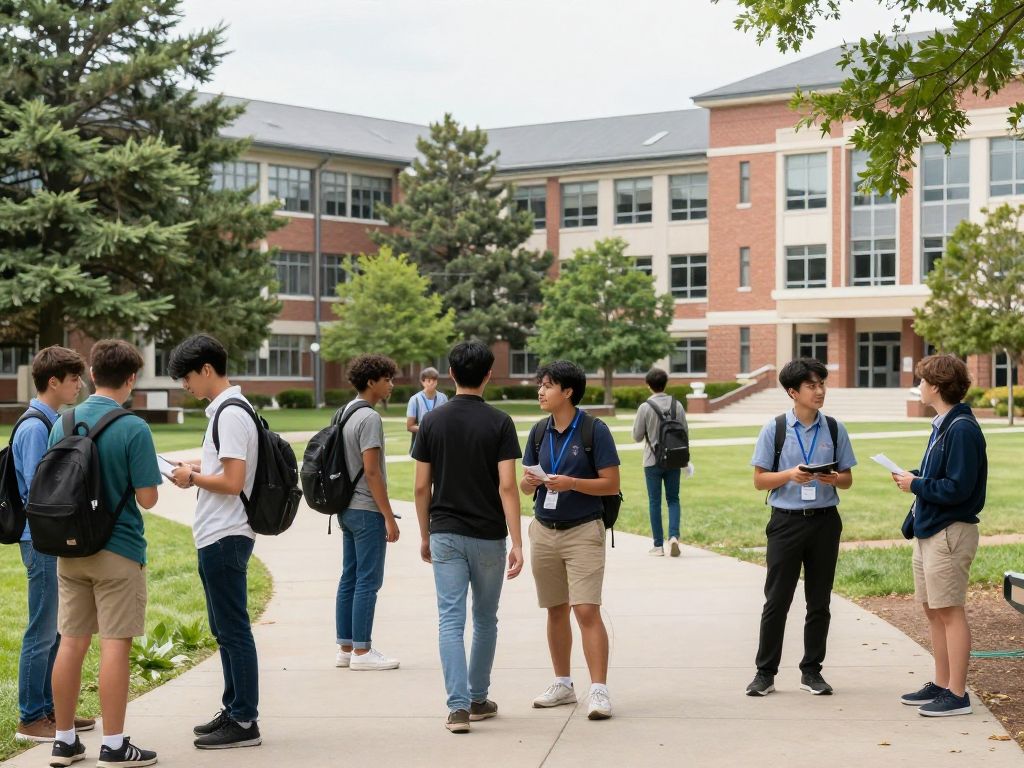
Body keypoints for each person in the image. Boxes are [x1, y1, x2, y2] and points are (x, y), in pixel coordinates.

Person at [48, 340, 161, 768]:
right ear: (132, 379)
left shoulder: (64, 420)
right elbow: (148, 499)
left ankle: (63, 741)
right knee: (116, 644)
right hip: (119, 548)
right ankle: (114, 745)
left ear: (93, 373)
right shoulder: (133, 428)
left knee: (71, 643)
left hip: (69, 548)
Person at [412, 340, 524, 734]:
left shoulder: (432, 422)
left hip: (444, 532)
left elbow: (421, 488)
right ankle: (478, 698)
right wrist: (518, 542)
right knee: (485, 619)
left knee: (449, 620)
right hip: (489, 535)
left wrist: (424, 533)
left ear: (451, 374)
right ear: (489, 375)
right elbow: (507, 487)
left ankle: (457, 708)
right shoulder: (500, 422)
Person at [167, 334, 264, 749]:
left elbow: (233, 480)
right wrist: (194, 466)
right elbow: (225, 468)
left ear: (206, 369)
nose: (184, 385)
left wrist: (192, 478)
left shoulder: (229, 413)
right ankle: (234, 707)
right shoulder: (227, 411)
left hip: (226, 534)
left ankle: (244, 721)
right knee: (224, 629)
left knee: (233, 629)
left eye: (186, 377)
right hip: (220, 533)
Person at [746, 357, 856, 698]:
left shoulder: (834, 428)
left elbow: (848, 480)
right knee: (776, 600)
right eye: (812, 385)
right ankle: (765, 673)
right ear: (793, 392)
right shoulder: (775, 429)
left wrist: (833, 477)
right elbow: (760, 480)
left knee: (819, 601)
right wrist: (790, 475)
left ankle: (812, 672)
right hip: (786, 522)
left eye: (822, 384)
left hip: (825, 522)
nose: (820, 391)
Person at [520, 360, 620, 720]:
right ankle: (563, 683)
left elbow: (612, 484)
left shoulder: (594, 430)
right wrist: (529, 482)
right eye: (540, 384)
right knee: (555, 609)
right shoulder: (537, 432)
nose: (540, 391)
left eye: (548, 385)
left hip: (583, 530)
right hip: (544, 529)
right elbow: (524, 482)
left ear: (568, 392)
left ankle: (599, 690)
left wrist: (572, 483)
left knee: (586, 609)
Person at [892, 354, 987, 717]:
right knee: (933, 610)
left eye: (921, 380)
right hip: (930, 529)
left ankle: (958, 694)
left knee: (950, 610)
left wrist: (917, 484)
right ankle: (943, 682)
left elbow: (959, 488)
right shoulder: (943, 424)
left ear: (935, 385)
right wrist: (914, 477)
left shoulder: (961, 429)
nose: (918, 386)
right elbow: (944, 477)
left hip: (949, 532)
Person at [12, 346, 95, 743]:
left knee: (57, 630)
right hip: (40, 540)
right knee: (42, 631)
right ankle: (31, 717)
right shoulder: (34, 428)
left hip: (51, 540)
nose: (80, 384)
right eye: (74, 378)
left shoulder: (52, 421)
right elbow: (40, 494)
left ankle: (51, 710)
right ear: (53, 382)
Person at [331, 354, 401, 671]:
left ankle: (345, 648)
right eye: (387, 379)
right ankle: (362, 652)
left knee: (349, 578)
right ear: (372, 381)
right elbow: (372, 472)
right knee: (367, 581)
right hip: (365, 509)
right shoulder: (369, 418)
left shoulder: (343, 412)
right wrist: (388, 516)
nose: (391, 385)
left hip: (344, 507)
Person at [631, 367, 689, 557]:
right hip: (674, 459)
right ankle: (673, 536)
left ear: (648, 385)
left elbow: (637, 436)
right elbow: (685, 434)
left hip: (651, 460)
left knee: (654, 502)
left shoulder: (645, 407)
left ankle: (658, 545)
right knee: (673, 499)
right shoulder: (677, 405)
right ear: (666, 383)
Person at [406, 366, 448, 453]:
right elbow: (409, 427)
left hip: (438, 442)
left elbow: (446, 421)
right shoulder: (415, 399)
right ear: (422, 381)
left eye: (434, 380)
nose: (432, 383)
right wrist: (426, 428)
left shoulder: (443, 398)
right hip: (421, 442)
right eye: (429, 381)